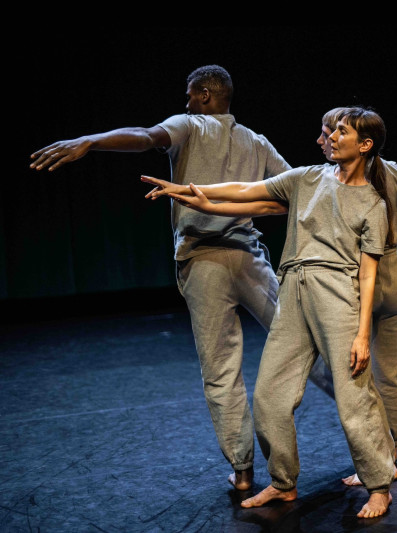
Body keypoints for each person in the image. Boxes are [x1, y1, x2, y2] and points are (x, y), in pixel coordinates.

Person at [29, 65, 291, 491]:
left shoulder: (189, 125)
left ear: (205, 95)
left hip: (204, 262)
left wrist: (91, 141)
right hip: (249, 259)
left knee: (221, 368)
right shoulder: (256, 141)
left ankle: (243, 472)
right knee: (301, 342)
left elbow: (146, 136)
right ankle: (371, 446)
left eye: (190, 95)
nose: (186, 102)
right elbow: (291, 190)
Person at [141, 106, 397, 518]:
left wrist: (363, 334)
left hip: (338, 297)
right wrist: (195, 194)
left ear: (364, 145)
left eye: (342, 132)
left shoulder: (373, 204)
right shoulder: (307, 177)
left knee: (353, 399)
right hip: (293, 289)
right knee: (269, 397)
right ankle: (283, 482)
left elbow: (368, 275)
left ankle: (379, 485)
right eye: (332, 131)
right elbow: (247, 190)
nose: (331, 137)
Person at [307, 107, 397, 487]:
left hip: (356, 276)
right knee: (389, 373)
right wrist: (392, 230)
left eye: (333, 132)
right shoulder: (394, 171)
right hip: (393, 273)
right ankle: (390, 455)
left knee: (360, 374)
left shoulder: (339, 179)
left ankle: (378, 460)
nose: (327, 140)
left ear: (362, 143)